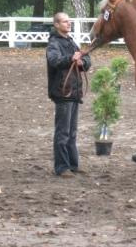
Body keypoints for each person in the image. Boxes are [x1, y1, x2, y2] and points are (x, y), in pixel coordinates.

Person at [46, 12, 91, 178]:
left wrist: (82, 62)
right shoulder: (53, 44)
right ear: (57, 25)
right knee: (63, 132)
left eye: (69, 21)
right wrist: (71, 58)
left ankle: (72, 164)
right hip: (63, 92)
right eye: (65, 22)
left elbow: (87, 61)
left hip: (73, 92)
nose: (68, 24)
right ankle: (61, 167)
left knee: (72, 132)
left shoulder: (71, 42)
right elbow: (54, 60)